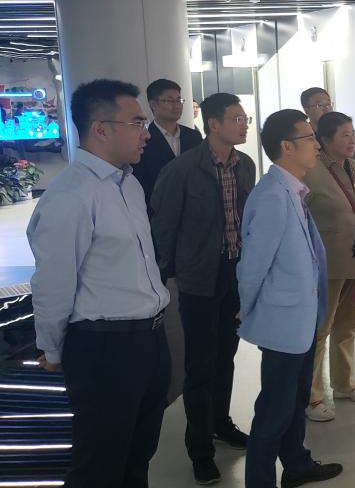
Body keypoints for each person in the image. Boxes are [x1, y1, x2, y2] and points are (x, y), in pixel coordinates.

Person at [27, 79, 170, 486]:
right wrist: (53, 349)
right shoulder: (72, 194)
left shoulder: (130, 184)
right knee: (99, 465)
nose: (146, 133)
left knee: (138, 456)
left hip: (149, 341)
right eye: (137, 122)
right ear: (101, 129)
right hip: (105, 349)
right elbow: (54, 283)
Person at [150, 92, 255, 483]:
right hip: (198, 279)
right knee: (200, 365)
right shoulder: (182, 169)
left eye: (244, 118)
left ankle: (220, 423)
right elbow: (164, 226)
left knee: (227, 355)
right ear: (213, 124)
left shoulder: (245, 165)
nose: (243, 125)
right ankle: (199, 449)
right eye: (236, 118)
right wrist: (167, 273)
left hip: (234, 275)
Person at [237, 110, 343, 488]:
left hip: (301, 320)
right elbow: (253, 265)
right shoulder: (271, 196)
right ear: (286, 146)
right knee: (274, 410)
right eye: (309, 138)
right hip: (282, 324)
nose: (317, 145)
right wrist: (248, 311)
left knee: (295, 401)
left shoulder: (293, 190)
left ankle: (296, 464)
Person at [302, 112, 355, 423]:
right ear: (325, 139)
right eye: (345, 135)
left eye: (353, 133)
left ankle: (344, 383)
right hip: (326, 263)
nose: (352, 140)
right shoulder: (310, 171)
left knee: (346, 326)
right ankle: (311, 396)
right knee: (320, 330)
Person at [132, 78, 202, 212]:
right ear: (153, 104)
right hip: (158, 213)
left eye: (179, 100)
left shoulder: (193, 136)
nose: (177, 105)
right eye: (170, 101)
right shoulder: (143, 139)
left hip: (193, 212)